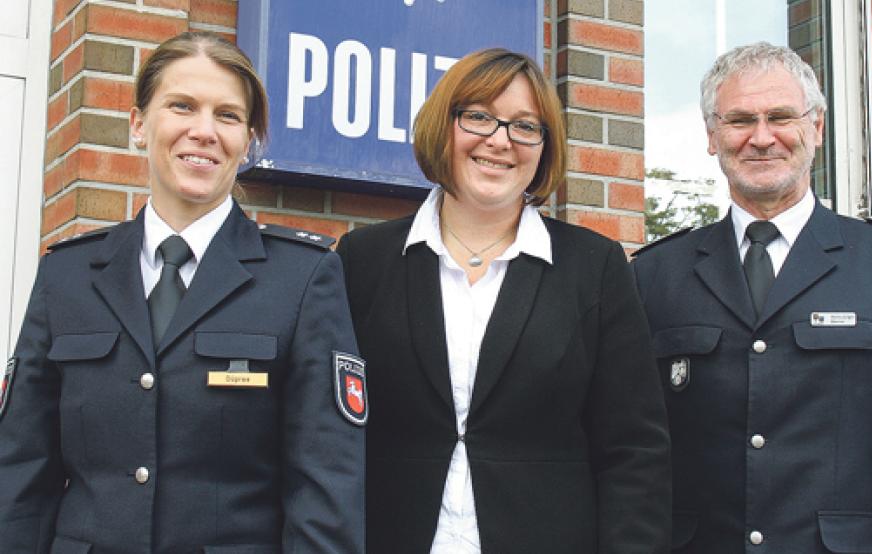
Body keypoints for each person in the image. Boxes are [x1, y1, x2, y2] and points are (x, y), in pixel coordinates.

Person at [0, 31, 365, 553]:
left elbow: (325, 485)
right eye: (182, 106)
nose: (204, 131)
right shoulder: (68, 275)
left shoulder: (303, 278)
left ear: (248, 140)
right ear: (138, 124)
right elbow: (20, 471)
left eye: (228, 115)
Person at [335, 47, 671, 553]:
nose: (500, 140)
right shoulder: (363, 260)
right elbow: (330, 436)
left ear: (544, 146)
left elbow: (634, 451)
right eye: (478, 117)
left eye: (525, 126)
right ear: (442, 125)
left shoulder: (593, 266)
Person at [632, 41, 872, 553]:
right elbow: (631, 452)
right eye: (740, 120)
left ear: (817, 128)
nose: (761, 138)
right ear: (712, 137)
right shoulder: (655, 274)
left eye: (781, 116)